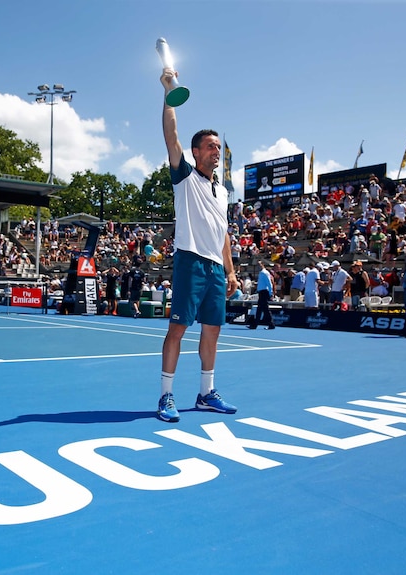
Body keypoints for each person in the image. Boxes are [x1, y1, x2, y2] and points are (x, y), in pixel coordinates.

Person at [156, 66, 238, 423]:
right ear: (196, 151)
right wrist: (167, 93)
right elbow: (170, 135)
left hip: (216, 269)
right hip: (190, 261)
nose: (216, 151)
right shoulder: (185, 177)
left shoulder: (222, 191)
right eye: (210, 146)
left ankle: (206, 393)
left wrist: (231, 270)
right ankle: (166, 396)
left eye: (219, 147)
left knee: (213, 330)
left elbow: (223, 233)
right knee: (177, 329)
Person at [248, 260, 276, 330]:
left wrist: (271, 293)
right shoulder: (261, 273)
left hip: (264, 292)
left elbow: (269, 283)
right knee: (260, 309)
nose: (258, 266)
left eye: (259, 265)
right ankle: (255, 324)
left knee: (265, 309)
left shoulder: (265, 273)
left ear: (263, 265)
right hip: (261, 292)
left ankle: (271, 324)